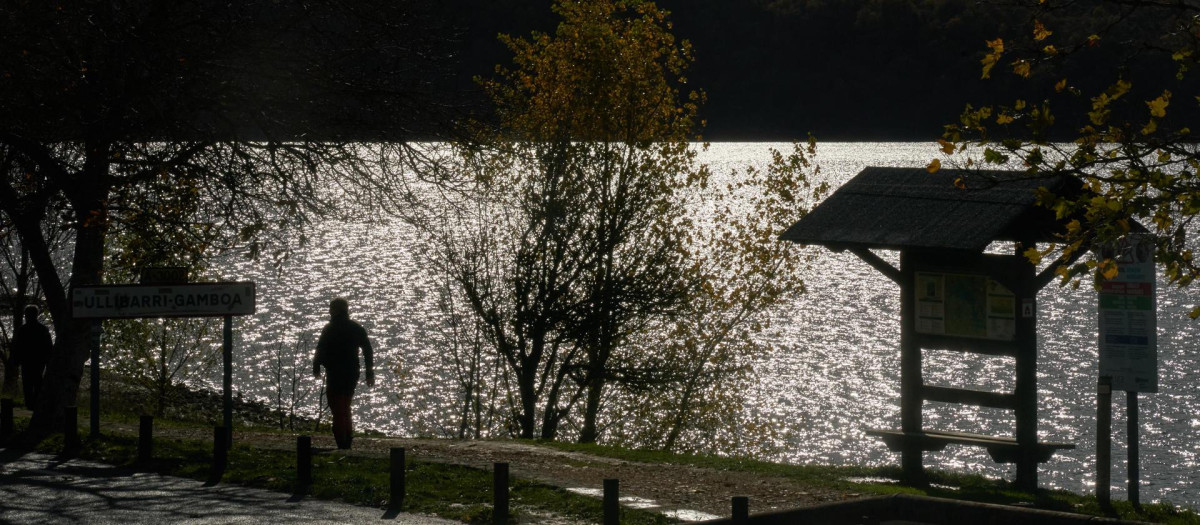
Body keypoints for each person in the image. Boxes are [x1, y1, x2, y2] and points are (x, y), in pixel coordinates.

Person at [313, 298, 374, 449]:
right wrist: (369, 372)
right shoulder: (356, 328)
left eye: (331, 308)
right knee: (345, 404)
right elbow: (367, 349)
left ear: (335, 310)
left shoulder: (330, 328)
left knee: (337, 406)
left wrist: (316, 366)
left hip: (335, 371)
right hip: (352, 371)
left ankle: (342, 442)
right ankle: (347, 439)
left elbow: (320, 348)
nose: (329, 311)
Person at [11, 305, 52, 409]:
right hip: (39, 361)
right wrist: (48, 361)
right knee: (38, 381)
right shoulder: (43, 329)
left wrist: (15, 361)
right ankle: (36, 404)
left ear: (26, 315)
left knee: (27, 383)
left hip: (26, 360)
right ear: (37, 315)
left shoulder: (22, 329)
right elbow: (48, 347)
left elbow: (17, 346)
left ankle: (29, 405)